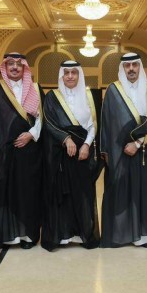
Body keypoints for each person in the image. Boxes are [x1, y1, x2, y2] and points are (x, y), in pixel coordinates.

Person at [0, 53, 44, 249]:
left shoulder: (35, 89)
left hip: (28, 152)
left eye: (19, 64)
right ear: (4, 67)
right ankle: (3, 236)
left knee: (27, 193)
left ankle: (28, 236)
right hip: (0, 153)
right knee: (2, 194)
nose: (15, 67)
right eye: (11, 64)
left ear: (25, 68)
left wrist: (31, 134)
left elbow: (43, 118)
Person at [100, 53, 147, 248]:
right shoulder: (113, 90)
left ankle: (144, 235)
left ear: (140, 67)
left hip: (145, 151)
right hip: (120, 154)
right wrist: (110, 151)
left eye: (134, 65)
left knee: (144, 194)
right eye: (127, 65)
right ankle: (121, 234)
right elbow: (106, 123)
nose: (131, 69)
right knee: (122, 194)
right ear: (122, 68)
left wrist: (137, 143)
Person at [41, 60, 102, 251]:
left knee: (82, 193)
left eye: (73, 72)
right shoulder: (52, 97)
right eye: (66, 72)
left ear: (79, 75)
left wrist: (86, 145)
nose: (69, 76)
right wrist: (66, 139)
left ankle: (82, 233)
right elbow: (48, 122)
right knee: (61, 194)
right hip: (59, 154)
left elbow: (94, 125)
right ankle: (61, 235)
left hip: (83, 153)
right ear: (61, 75)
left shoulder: (90, 96)